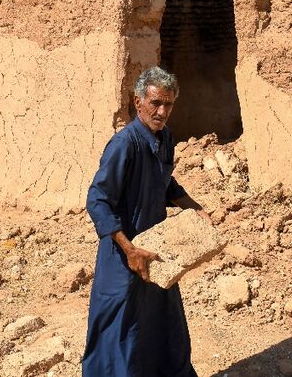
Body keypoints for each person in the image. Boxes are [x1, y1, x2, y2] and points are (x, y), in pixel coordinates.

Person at [82, 66, 209, 377]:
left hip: (156, 251)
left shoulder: (165, 138)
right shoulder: (124, 144)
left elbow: (164, 182)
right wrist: (129, 249)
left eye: (168, 104)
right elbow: (97, 199)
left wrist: (196, 209)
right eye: (155, 103)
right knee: (119, 331)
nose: (162, 111)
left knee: (162, 325)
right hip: (123, 255)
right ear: (137, 102)